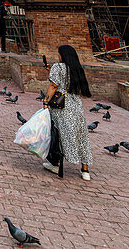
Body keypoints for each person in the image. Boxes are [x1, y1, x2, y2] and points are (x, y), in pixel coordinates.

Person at [42, 45, 94, 181]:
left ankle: (56, 164)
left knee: (58, 134)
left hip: (62, 106)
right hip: (76, 106)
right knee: (81, 136)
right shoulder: (76, 68)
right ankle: (85, 170)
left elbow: (54, 86)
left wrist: (46, 101)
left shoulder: (58, 67)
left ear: (62, 55)